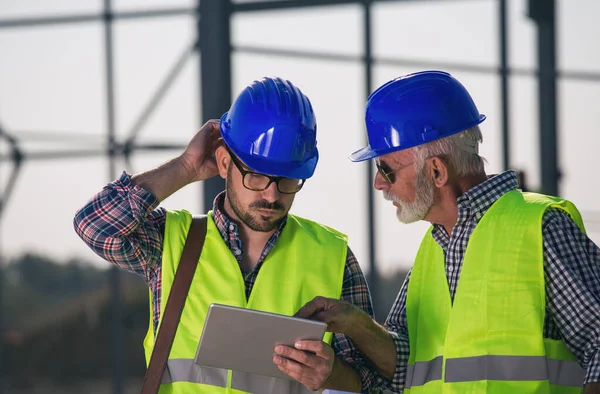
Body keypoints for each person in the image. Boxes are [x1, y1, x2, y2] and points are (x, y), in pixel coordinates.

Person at [294, 70, 600, 393]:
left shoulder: (541, 229)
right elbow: (405, 368)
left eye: (386, 169)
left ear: (436, 170)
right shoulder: (433, 250)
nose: (379, 183)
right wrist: (354, 324)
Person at [73, 77, 378, 393]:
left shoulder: (332, 256)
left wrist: (334, 376)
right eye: (256, 175)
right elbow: (94, 224)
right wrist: (185, 167)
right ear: (223, 162)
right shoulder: (171, 243)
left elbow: (372, 381)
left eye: (287, 179)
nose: (272, 195)